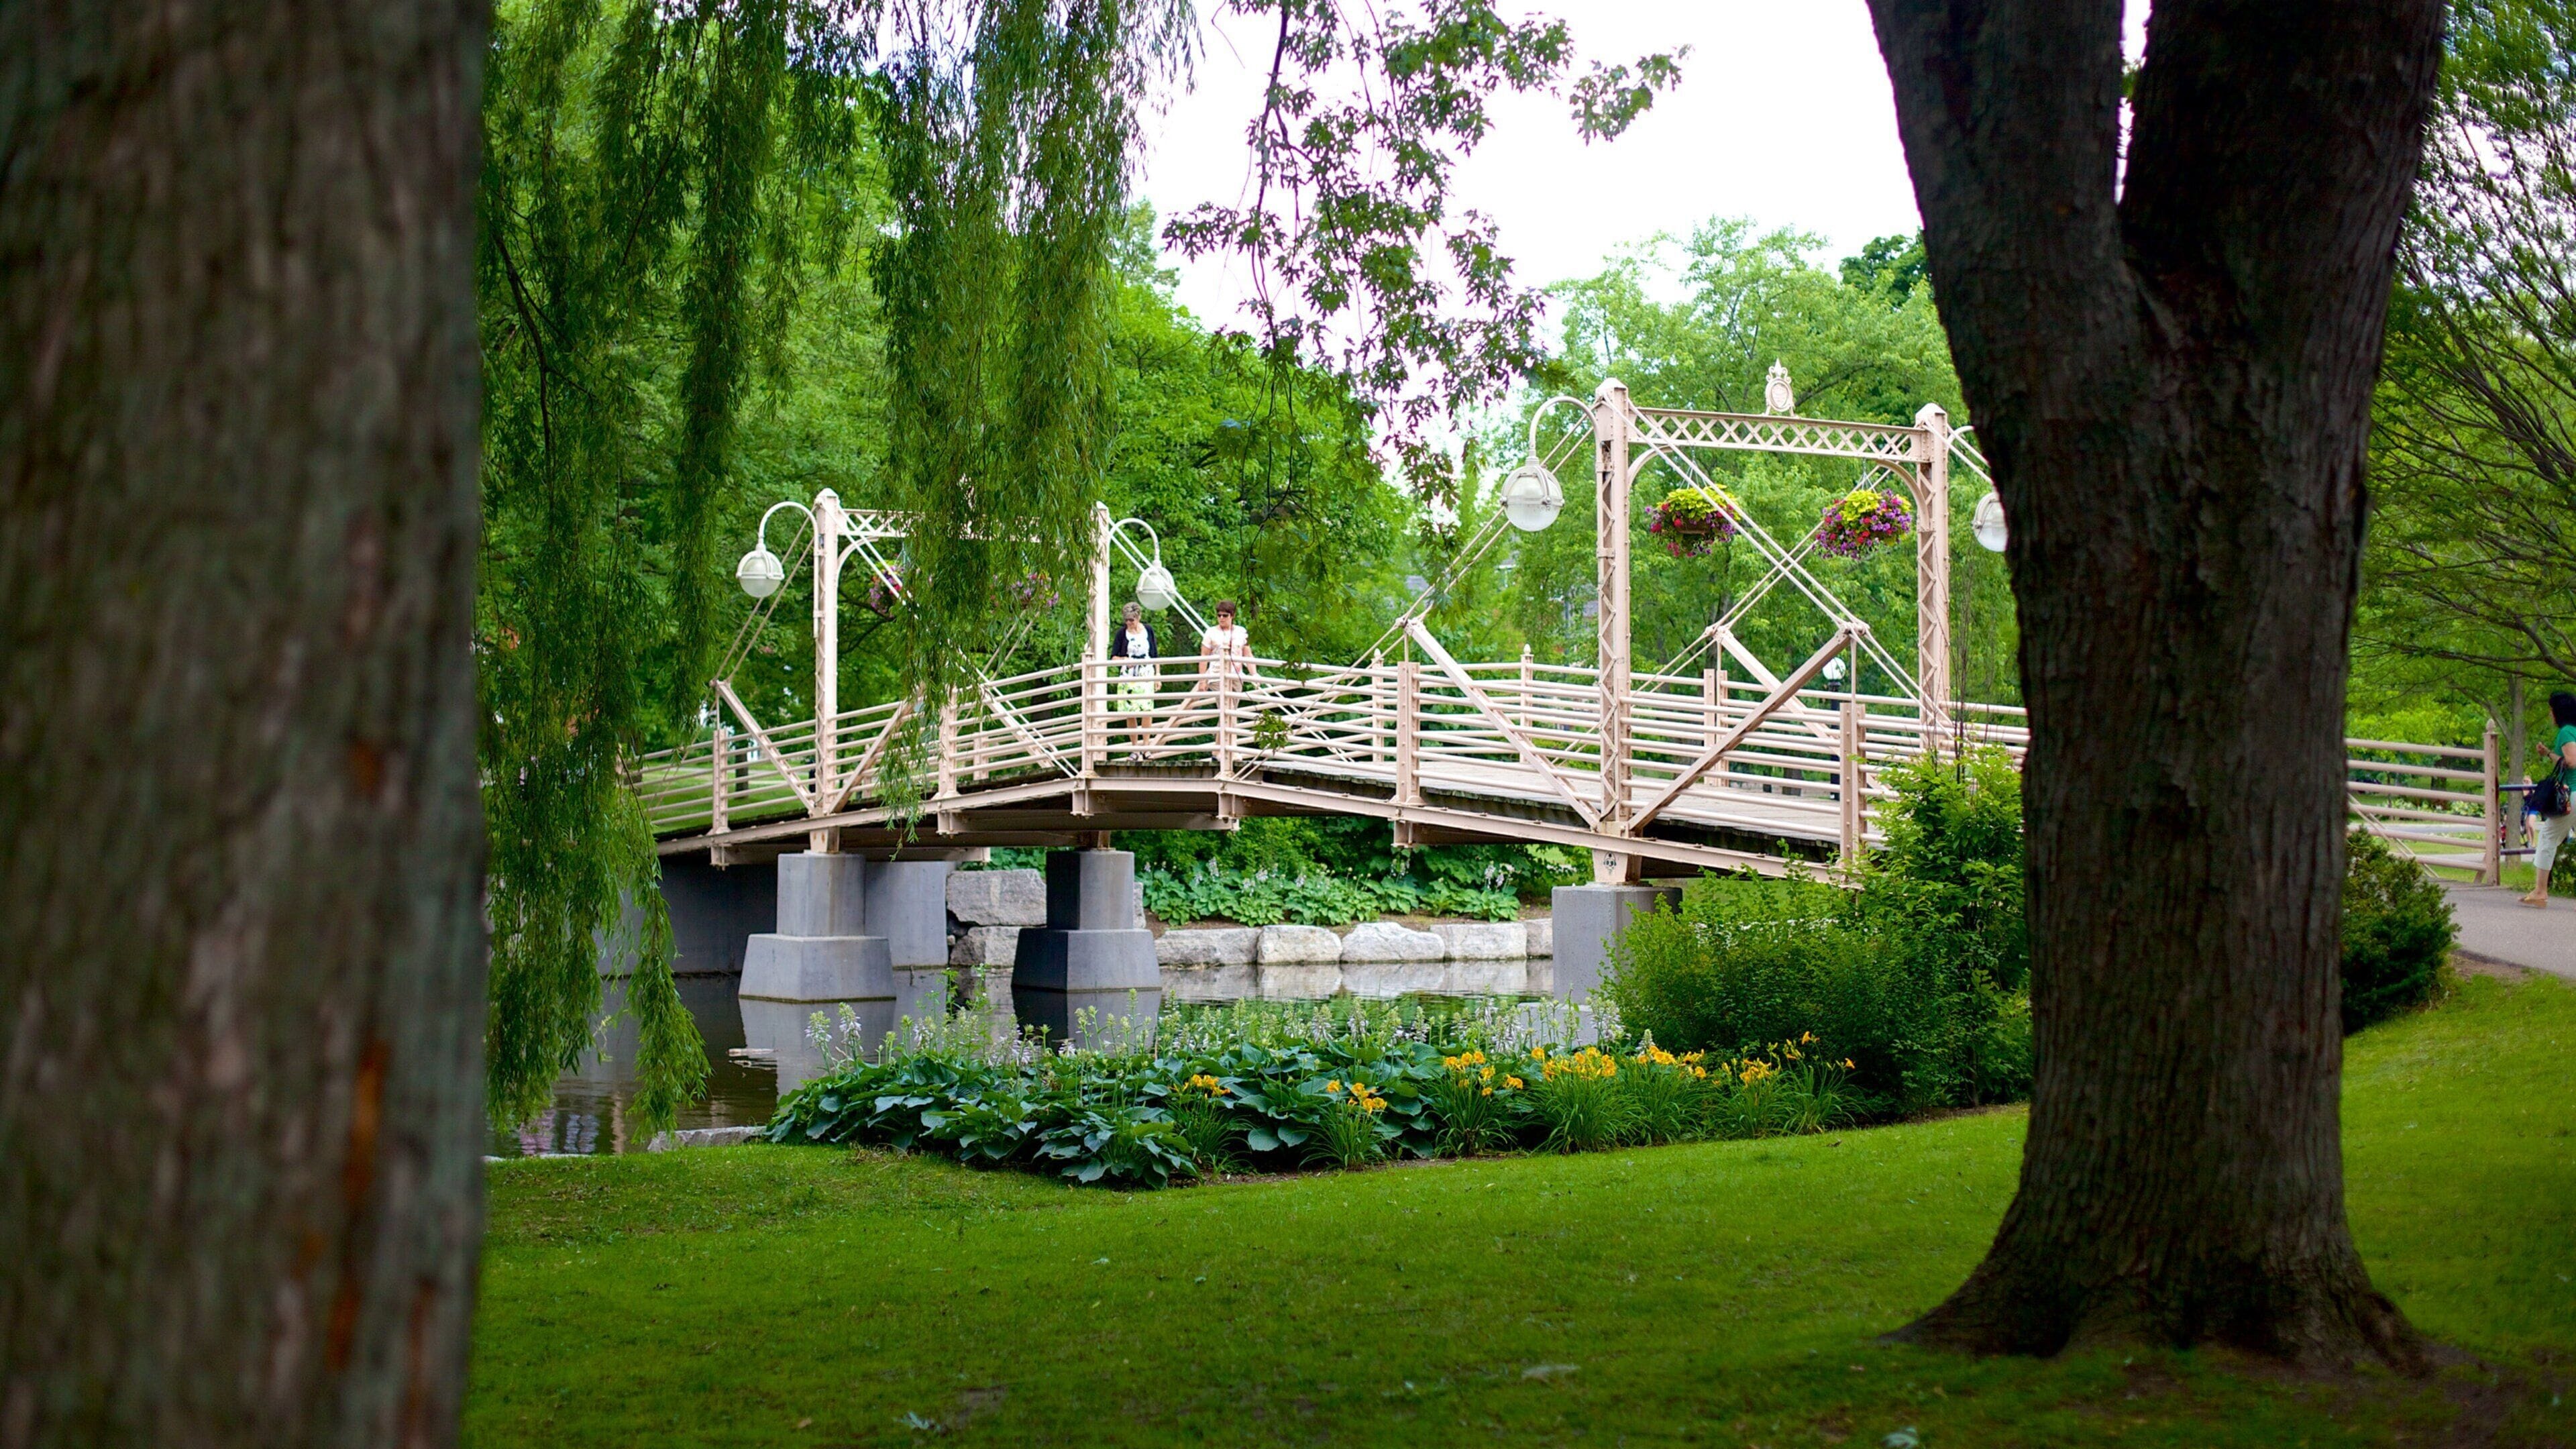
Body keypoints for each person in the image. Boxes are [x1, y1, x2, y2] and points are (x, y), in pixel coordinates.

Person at [2518, 690, 2576, 909]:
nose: (2550, 714)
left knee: (2548, 838)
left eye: (2551, 710)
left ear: (2558, 712)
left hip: (2573, 793)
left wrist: (2551, 755)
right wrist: (2549, 753)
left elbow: (2571, 761)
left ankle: (2540, 891)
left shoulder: (2567, 732)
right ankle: (2539, 891)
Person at [1110, 600, 1159, 757]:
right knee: (1130, 711)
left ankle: (1146, 745)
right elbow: (1113, 657)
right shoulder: (1121, 633)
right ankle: (1135, 747)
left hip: (1146, 673)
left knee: (1146, 709)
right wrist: (1125, 660)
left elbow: (1155, 655)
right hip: (1128, 675)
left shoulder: (1148, 631)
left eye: (1132, 620)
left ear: (1139, 618)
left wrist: (1158, 675)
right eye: (1127, 620)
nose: (1129, 623)